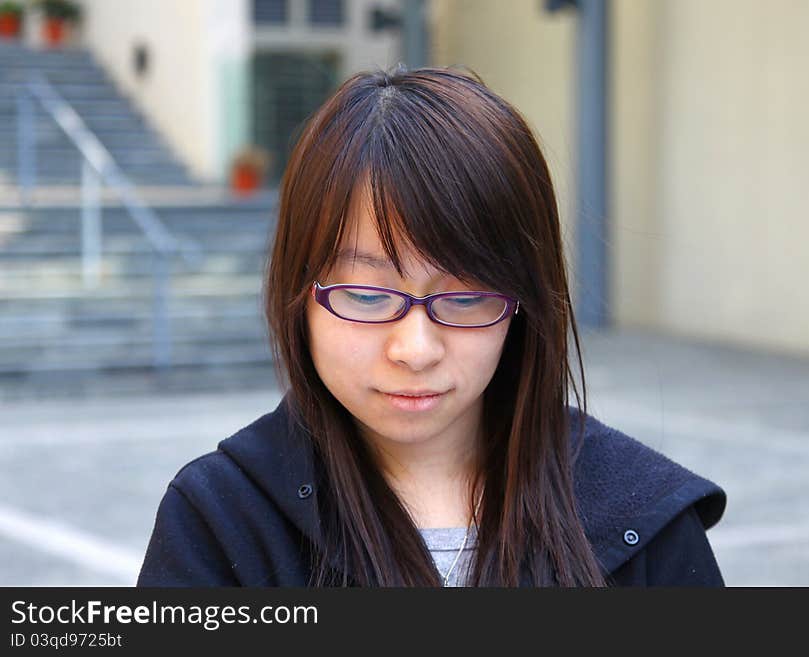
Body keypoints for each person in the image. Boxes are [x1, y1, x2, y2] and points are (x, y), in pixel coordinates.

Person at [137, 65, 726, 587]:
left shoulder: (644, 518)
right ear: (299, 292)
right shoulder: (222, 521)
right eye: (366, 294)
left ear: (524, 302)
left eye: (466, 296)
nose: (415, 350)